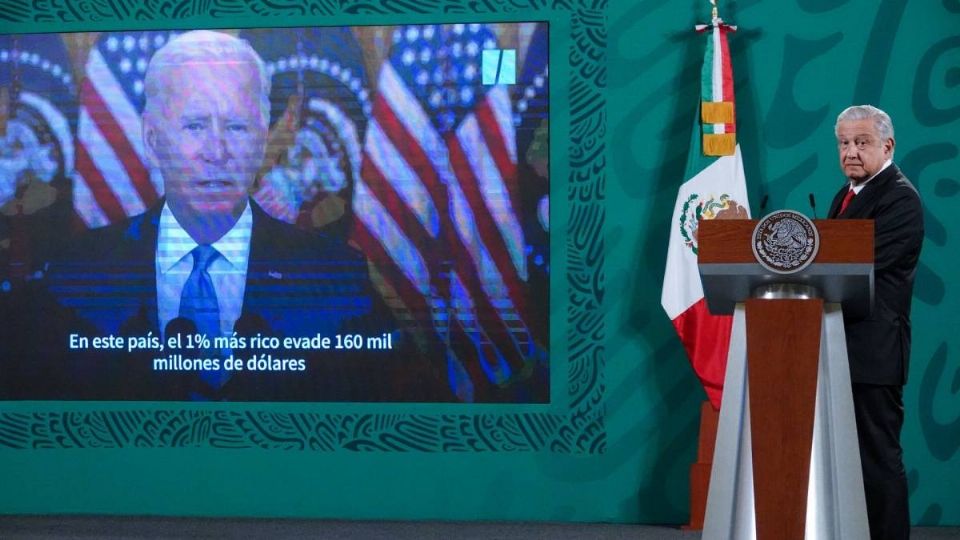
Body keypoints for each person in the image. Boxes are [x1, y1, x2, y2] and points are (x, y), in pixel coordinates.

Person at [1, 31, 448, 402]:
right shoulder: (74, 276)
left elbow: (410, 426)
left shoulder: (335, 276)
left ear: (262, 139)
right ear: (154, 140)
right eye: (194, 126)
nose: (216, 152)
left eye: (236, 127)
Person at [828, 105, 923, 539]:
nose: (851, 152)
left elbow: (852, 265)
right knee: (845, 463)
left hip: (873, 353)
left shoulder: (900, 198)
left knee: (877, 459)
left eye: (862, 142)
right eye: (844, 143)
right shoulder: (846, 196)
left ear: (888, 146)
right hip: (836, 347)